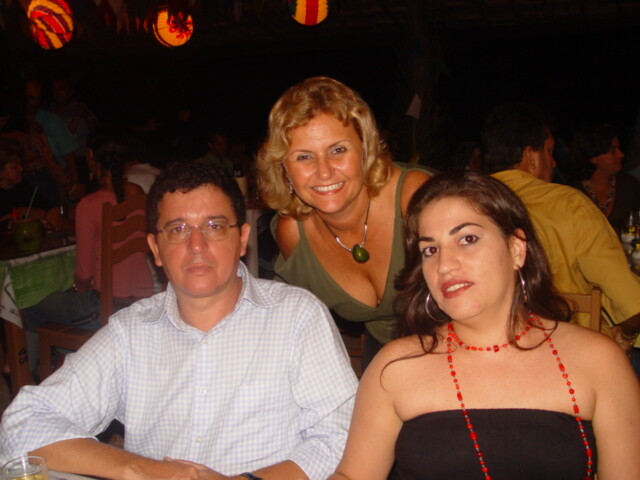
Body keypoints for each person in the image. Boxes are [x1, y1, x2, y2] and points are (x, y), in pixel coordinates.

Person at [0, 160, 357, 480]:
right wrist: (140, 469)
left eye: (214, 226)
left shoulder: (296, 316)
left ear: (242, 238)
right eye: (178, 229)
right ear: (155, 249)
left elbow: (341, 436)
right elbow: (22, 423)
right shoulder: (131, 332)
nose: (196, 245)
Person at [329, 170, 640, 480]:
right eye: (430, 250)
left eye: (467, 239)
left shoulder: (597, 360)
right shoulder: (395, 367)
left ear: (516, 249)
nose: (445, 265)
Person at [256, 76, 429, 367]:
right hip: (386, 354)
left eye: (338, 150)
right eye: (304, 157)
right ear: (283, 168)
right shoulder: (293, 233)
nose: (324, 172)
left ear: (365, 149)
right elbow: (289, 321)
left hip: (465, 344)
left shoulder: (414, 199)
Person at [481, 102, 640, 364]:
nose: (554, 162)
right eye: (550, 151)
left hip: (487, 354)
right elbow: (632, 305)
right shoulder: (569, 204)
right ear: (530, 156)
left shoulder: (467, 203)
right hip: (571, 357)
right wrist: (624, 338)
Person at [21, 129, 154, 372]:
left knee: (30, 308)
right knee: (67, 307)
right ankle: (69, 360)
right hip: (142, 302)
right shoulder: (138, 194)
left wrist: (78, 289)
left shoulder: (89, 204)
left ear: (91, 156)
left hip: (105, 309)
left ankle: (22, 375)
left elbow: (84, 273)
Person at [570, 123, 640, 233]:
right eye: (613, 151)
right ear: (593, 158)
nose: (621, 154)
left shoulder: (629, 185)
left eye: (619, 148)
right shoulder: (573, 192)